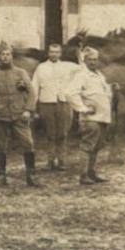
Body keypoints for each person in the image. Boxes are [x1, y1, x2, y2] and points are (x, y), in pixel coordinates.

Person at [0, 42, 38, 188]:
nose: (5, 57)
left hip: (19, 115)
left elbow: (32, 92)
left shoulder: (20, 73)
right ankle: (1, 176)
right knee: (0, 146)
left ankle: (31, 175)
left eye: (8, 54)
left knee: (28, 143)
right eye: (2, 54)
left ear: (12, 56)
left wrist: (28, 110)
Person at [67, 47, 114, 186]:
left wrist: (110, 90)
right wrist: (82, 108)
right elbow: (70, 93)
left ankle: (91, 172)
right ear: (85, 60)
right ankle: (83, 175)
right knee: (88, 145)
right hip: (90, 118)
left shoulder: (99, 75)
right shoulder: (82, 75)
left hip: (103, 116)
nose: (93, 62)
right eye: (90, 60)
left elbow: (103, 93)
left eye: (95, 59)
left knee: (97, 146)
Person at [32, 42, 78, 172]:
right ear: (48, 53)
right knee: (50, 133)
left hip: (63, 103)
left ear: (60, 53)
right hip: (46, 103)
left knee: (62, 133)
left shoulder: (68, 66)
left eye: (56, 52)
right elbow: (34, 86)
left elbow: (82, 69)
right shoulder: (41, 67)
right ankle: (51, 161)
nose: (54, 54)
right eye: (51, 52)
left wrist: (80, 54)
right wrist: (32, 105)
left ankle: (62, 160)